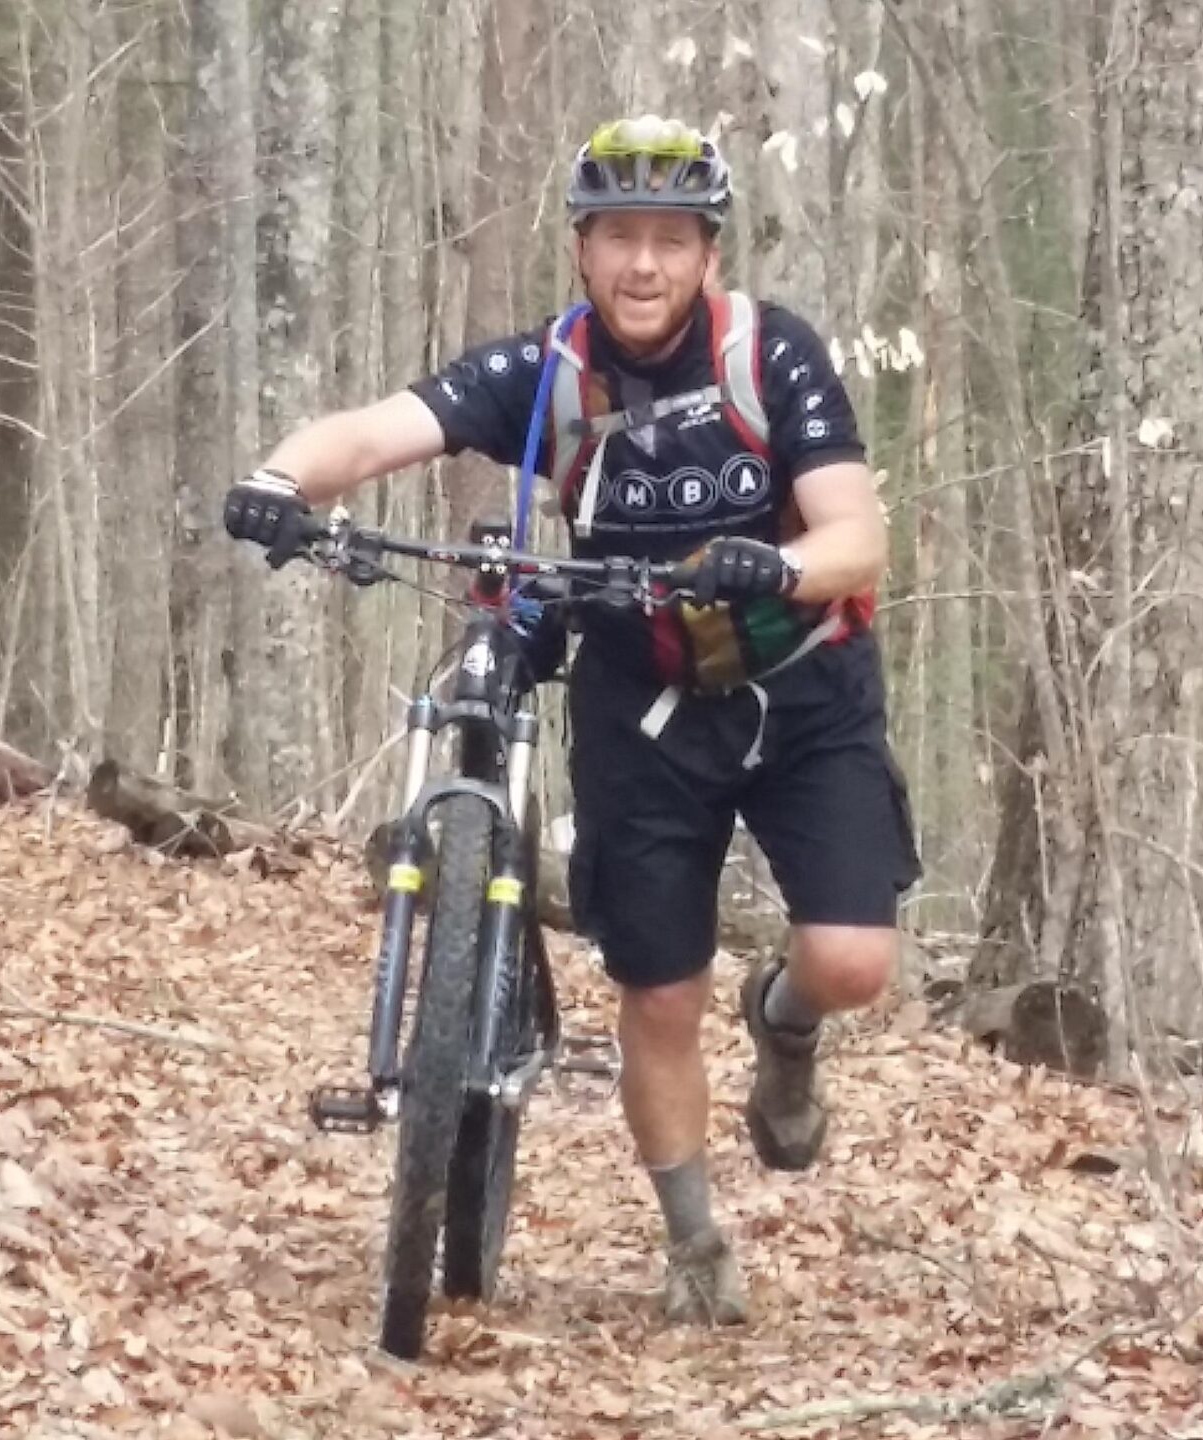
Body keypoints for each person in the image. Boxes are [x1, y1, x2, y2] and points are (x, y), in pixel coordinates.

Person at [221, 115, 919, 1326]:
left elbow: (858, 536)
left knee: (852, 964)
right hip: (640, 700)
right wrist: (280, 480)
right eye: (617, 240)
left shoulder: (772, 357)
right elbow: (375, 431)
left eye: (668, 241)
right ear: (583, 251)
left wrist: (776, 566)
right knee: (657, 992)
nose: (642, 266)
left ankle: (785, 1021)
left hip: (801, 688)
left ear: (707, 254)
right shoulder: (544, 375)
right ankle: (694, 1243)